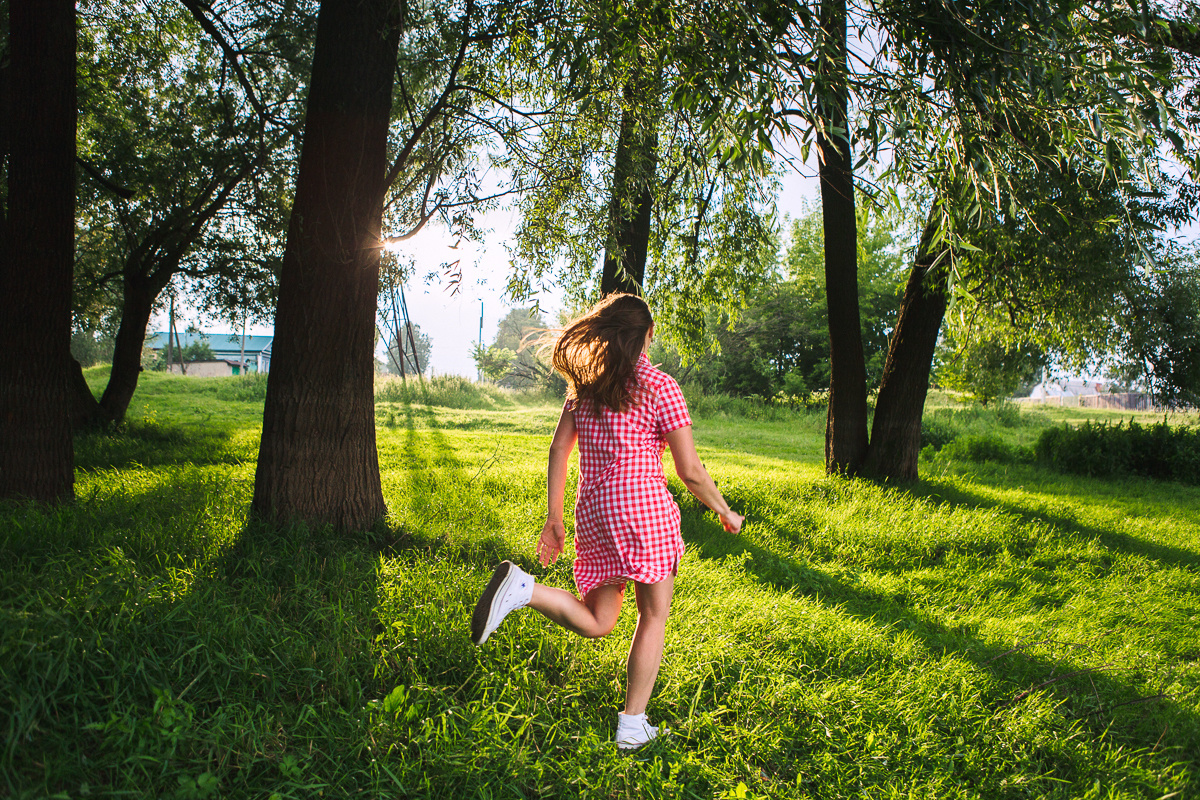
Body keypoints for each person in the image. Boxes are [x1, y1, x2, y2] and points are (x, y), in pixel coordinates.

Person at [470, 293, 744, 750]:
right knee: (653, 615)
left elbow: (559, 449)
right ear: (647, 336)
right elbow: (690, 471)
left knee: (600, 620)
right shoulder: (661, 386)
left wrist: (554, 518)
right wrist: (724, 510)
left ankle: (523, 589)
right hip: (642, 512)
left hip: (594, 514)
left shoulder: (585, 388)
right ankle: (632, 726)